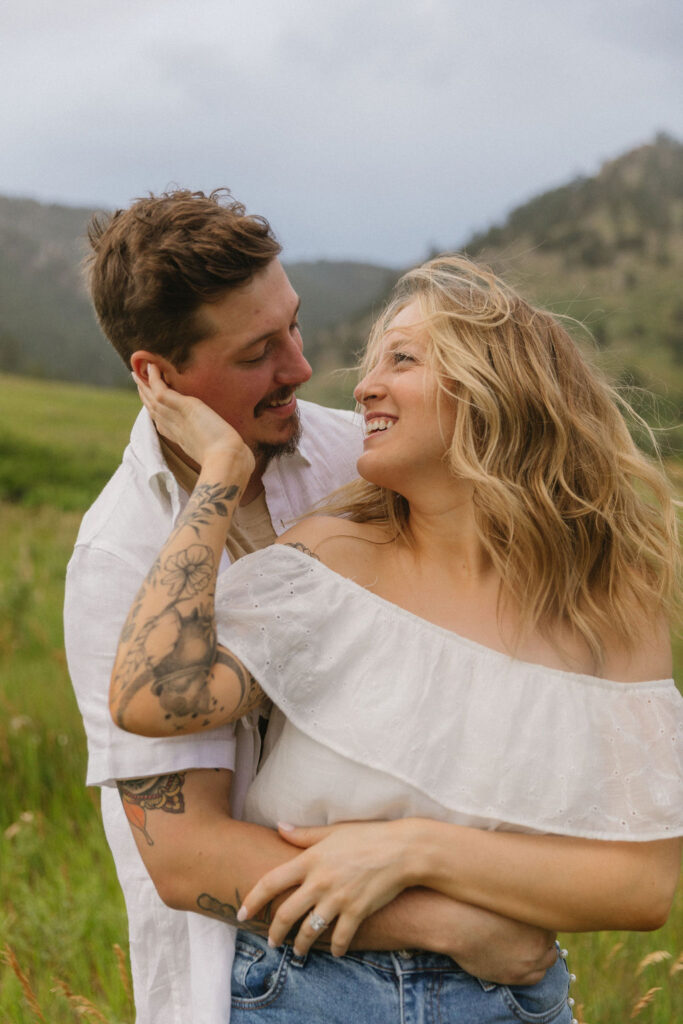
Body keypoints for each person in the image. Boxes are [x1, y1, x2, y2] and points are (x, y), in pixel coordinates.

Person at [110, 253, 682, 1023]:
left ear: (495, 386)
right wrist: (219, 472)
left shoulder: (608, 604)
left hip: (505, 999)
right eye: (371, 363)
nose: (361, 386)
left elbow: (640, 887)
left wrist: (412, 848)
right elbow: (151, 698)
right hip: (307, 985)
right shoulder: (331, 560)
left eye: (401, 360)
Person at [65, 194, 559, 1024]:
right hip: (257, 986)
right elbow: (187, 858)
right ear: (159, 376)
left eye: (292, 326)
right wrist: (452, 925)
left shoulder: (360, 457)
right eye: (259, 351)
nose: (298, 366)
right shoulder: (117, 557)